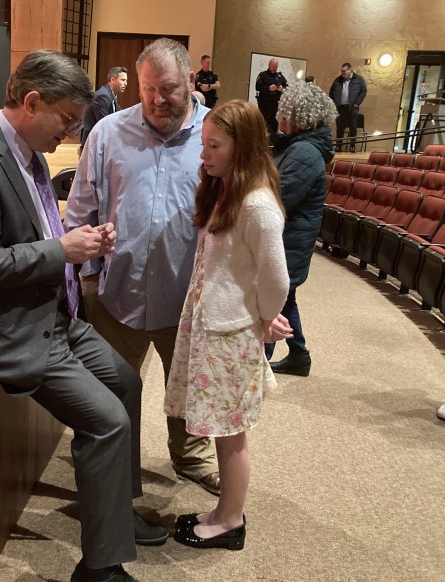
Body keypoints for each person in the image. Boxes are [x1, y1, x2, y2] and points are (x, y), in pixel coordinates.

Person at [0, 49, 168, 582]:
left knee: (127, 383)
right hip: (7, 329)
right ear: (31, 101)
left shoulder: (30, 153)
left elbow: (37, 233)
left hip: (53, 315)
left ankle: (115, 512)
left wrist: (81, 244)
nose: (67, 132)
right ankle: (99, 568)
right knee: (107, 424)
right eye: (64, 118)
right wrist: (64, 250)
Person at [66, 38, 221, 496]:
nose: (156, 99)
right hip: (116, 295)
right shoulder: (108, 133)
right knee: (109, 396)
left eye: (168, 88)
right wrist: (89, 278)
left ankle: (191, 457)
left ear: (191, 81)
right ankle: (112, 473)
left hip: (189, 299)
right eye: (147, 88)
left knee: (190, 387)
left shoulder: (216, 134)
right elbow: (80, 210)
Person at [165, 99, 290, 550]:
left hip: (230, 332)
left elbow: (277, 278)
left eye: (214, 145)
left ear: (244, 146)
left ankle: (231, 520)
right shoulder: (230, 191)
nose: (204, 154)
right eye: (204, 144)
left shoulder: (257, 204)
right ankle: (222, 511)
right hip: (215, 325)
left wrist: (263, 317)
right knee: (221, 427)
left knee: (231, 432)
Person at [265, 82, 337, 376]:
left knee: (271, 301)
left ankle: (258, 364)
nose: (279, 119)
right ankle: (299, 355)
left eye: (283, 112)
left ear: (297, 116)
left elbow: (278, 199)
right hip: (288, 240)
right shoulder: (299, 147)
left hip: (287, 242)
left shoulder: (305, 152)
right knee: (285, 298)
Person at [80, 66, 128, 147]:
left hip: (100, 141)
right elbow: (104, 123)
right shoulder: (103, 96)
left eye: (126, 81)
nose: (125, 83)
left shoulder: (111, 95)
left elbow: (121, 115)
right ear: (112, 80)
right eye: (123, 80)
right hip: (92, 144)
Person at [328, 62, 367, 152]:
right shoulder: (337, 80)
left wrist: (357, 103)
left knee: (353, 128)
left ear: (350, 70)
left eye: (344, 71)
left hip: (352, 108)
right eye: (341, 71)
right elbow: (331, 92)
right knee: (340, 127)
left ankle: (352, 146)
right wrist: (334, 103)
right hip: (340, 107)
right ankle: (339, 146)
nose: (342, 73)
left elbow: (363, 91)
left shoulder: (358, 79)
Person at [255, 58, 288, 137]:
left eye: (276, 66)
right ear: (269, 65)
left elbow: (286, 86)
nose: (274, 67)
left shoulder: (279, 76)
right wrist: (268, 88)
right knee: (264, 123)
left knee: (274, 123)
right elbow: (258, 87)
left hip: (276, 104)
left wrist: (282, 88)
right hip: (265, 104)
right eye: (273, 65)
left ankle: (273, 139)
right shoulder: (262, 75)